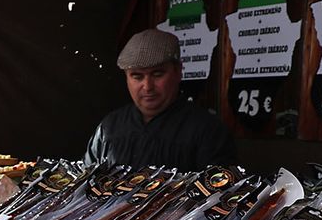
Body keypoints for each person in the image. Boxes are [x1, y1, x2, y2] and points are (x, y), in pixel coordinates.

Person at [82, 27, 236, 170]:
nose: (147, 86)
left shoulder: (207, 131)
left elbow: (219, 192)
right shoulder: (109, 128)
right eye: (137, 76)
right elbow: (86, 184)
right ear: (127, 78)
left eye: (157, 74)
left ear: (178, 72)